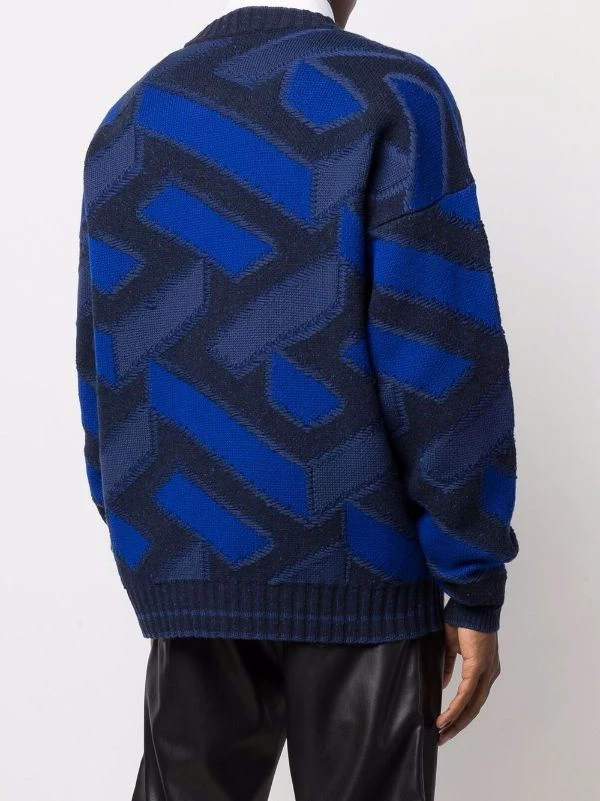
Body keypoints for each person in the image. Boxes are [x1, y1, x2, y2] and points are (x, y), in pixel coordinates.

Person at [75, 0, 520, 798]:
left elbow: (102, 365)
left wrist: (156, 544)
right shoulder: (392, 95)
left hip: (188, 558)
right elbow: (441, 351)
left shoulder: (130, 119)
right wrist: (473, 577)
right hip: (361, 560)